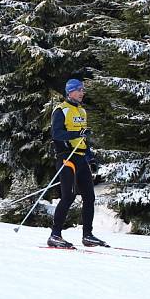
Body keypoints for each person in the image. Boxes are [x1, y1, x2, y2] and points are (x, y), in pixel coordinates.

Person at [47, 79, 108, 248]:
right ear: (70, 91)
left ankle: (87, 235)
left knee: (90, 197)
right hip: (67, 157)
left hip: (81, 158)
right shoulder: (61, 110)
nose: (82, 93)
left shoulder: (82, 111)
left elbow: (83, 138)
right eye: (79, 90)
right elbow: (57, 134)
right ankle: (55, 235)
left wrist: (91, 157)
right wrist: (77, 133)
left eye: (83, 90)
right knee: (69, 196)